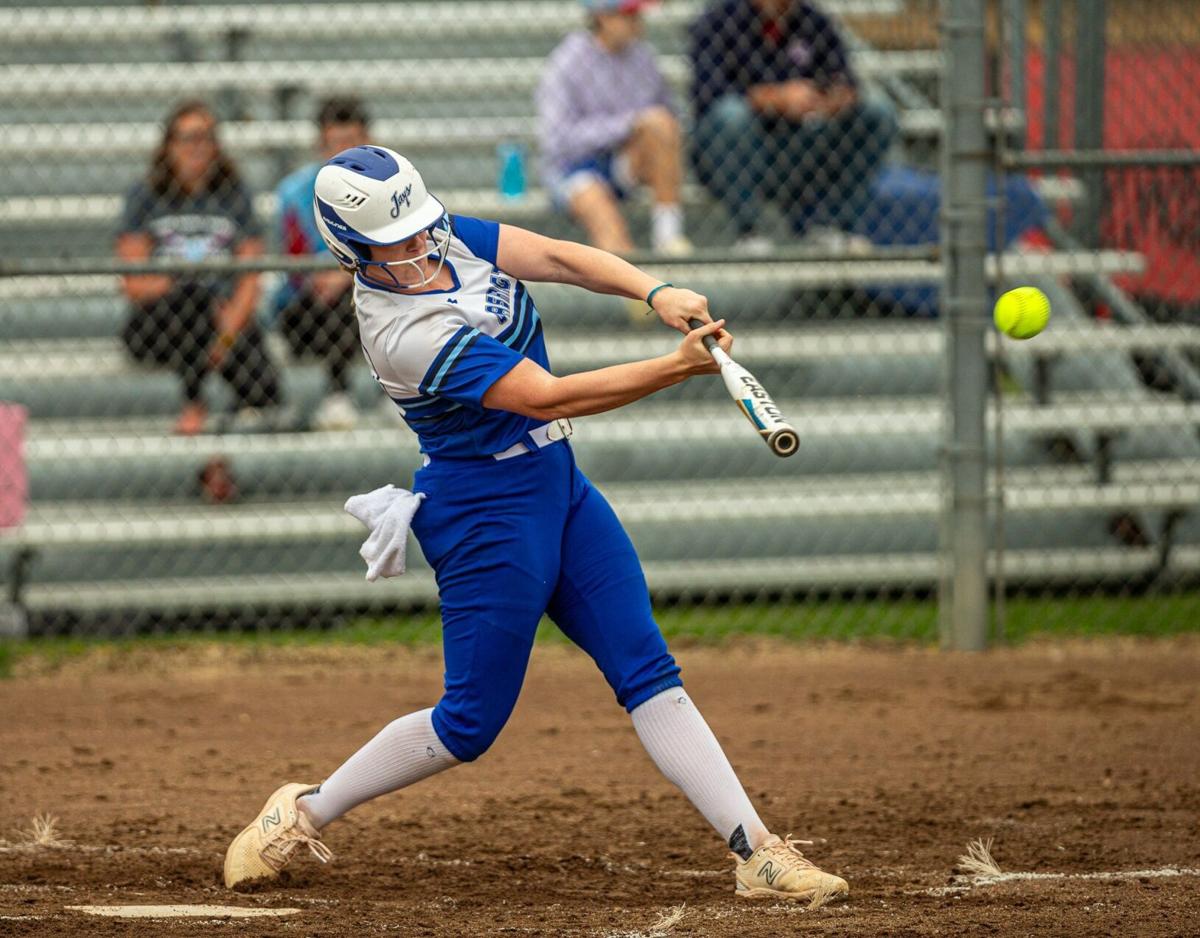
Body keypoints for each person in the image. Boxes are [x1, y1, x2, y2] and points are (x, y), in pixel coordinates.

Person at [222, 145, 848, 904]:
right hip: (484, 512)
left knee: (646, 667)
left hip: (558, 486)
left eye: (420, 227)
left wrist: (655, 291)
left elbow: (554, 254)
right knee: (469, 725)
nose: (421, 246)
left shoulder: (441, 233)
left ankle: (757, 851)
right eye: (396, 242)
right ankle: (306, 809)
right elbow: (548, 396)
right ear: (351, 250)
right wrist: (674, 367)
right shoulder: (399, 330)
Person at [117, 100, 283, 435]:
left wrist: (225, 332)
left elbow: (252, 275)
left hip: (224, 319)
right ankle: (199, 402)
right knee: (192, 298)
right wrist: (181, 284)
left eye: (205, 137)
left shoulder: (233, 194)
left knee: (222, 323)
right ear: (169, 146)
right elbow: (134, 284)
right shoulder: (146, 195)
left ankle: (218, 430)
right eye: (188, 138)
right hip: (158, 323)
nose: (197, 147)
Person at [689, 0, 897, 253]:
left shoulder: (812, 20)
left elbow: (845, 83)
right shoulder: (719, 20)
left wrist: (823, 101)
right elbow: (708, 95)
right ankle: (750, 232)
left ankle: (832, 226)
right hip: (739, 149)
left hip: (803, 143)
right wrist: (776, 98)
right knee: (731, 115)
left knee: (877, 111)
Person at [536, 0, 692, 256]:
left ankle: (669, 236)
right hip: (575, 167)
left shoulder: (642, 56)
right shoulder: (567, 61)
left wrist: (643, 127)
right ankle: (633, 288)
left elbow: (669, 115)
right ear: (603, 17)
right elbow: (559, 141)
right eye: (629, 16)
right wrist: (629, 124)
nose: (638, 23)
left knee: (661, 124)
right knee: (595, 201)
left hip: (625, 160)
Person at [273, 97, 370, 430]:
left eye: (354, 142)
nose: (346, 153)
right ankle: (337, 394)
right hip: (306, 312)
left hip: (366, 296)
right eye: (337, 143)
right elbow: (298, 269)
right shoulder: (294, 192)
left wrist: (347, 273)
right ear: (321, 145)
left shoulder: (389, 189)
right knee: (338, 301)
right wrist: (348, 270)